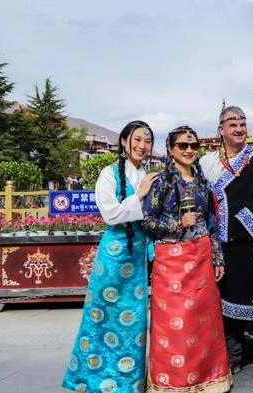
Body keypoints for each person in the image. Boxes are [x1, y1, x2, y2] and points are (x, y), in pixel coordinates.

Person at [63, 120, 158, 393]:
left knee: (135, 323)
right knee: (102, 317)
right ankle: (94, 380)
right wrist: (139, 196)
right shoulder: (108, 173)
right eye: (137, 139)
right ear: (124, 142)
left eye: (147, 141)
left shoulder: (147, 173)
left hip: (139, 258)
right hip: (114, 257)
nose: (142, 146)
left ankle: (130, 383)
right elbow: (111, 214)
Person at [142, 126, 232, 393]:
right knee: (173, 326)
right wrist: (177, 223)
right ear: (171, 149)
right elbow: (147, 221)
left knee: (205, 325)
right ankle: (173, 383)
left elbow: (212, 224)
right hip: (171, 262)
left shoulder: (204, 183)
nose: (189, 150)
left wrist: (218, 257)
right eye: (182, 146)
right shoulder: (161, 182)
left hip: (202, 258)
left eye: (193, 146)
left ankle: (209, 381)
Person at [200, 103, 253, 373]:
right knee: (226, 304)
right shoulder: (208, 163)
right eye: (232, 124)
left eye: (243, 123)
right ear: (221, 129)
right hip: (221, 247)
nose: (239, 128)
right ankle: (232, 357)